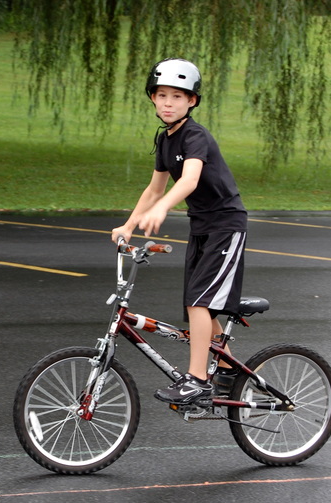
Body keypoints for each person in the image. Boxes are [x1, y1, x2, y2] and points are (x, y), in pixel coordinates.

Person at [111, 58, 247, 405]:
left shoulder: (194, 136)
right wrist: (129, 224)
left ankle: (197, 380)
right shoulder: (165, 140)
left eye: (177, 96)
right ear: (152, 98)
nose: (168, 103)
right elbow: (154, 189)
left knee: (199, 301)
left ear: (192, 101)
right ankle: (228, 368)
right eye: (162, 96)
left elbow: (189, 180)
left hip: (226, 225)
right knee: (195, 305)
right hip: (202, 227)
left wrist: (163, 209)